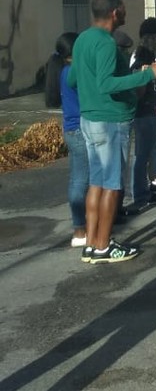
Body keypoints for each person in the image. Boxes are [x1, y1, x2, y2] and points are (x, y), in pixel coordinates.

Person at [69, 0, 156, 264]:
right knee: (112, 185)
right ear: (115, 12)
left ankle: (92, 242)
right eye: (123, 9)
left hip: (90, 117)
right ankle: (103, 245)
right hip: (110, 120)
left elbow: (73, 80)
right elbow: (106, 83)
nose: (125, 13)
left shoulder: (83, 40)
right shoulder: (106, 44)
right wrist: (148, 74)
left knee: (97, 182)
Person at [45, 32, 86, 247]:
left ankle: (81, 226)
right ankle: (80, 229)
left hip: (71, 129)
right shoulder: (73, 72)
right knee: (81, 181)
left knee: (77, 179)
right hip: (80, 129)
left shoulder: (61, 70)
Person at [128, 17, 156, 213]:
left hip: (152, 111)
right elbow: (139, 91)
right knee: (141, 156)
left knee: (149, 151)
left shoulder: (151, 59)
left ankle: (146, 190)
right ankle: (140, 194)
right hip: (144, 113)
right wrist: (147, 75)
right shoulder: (141, 62)